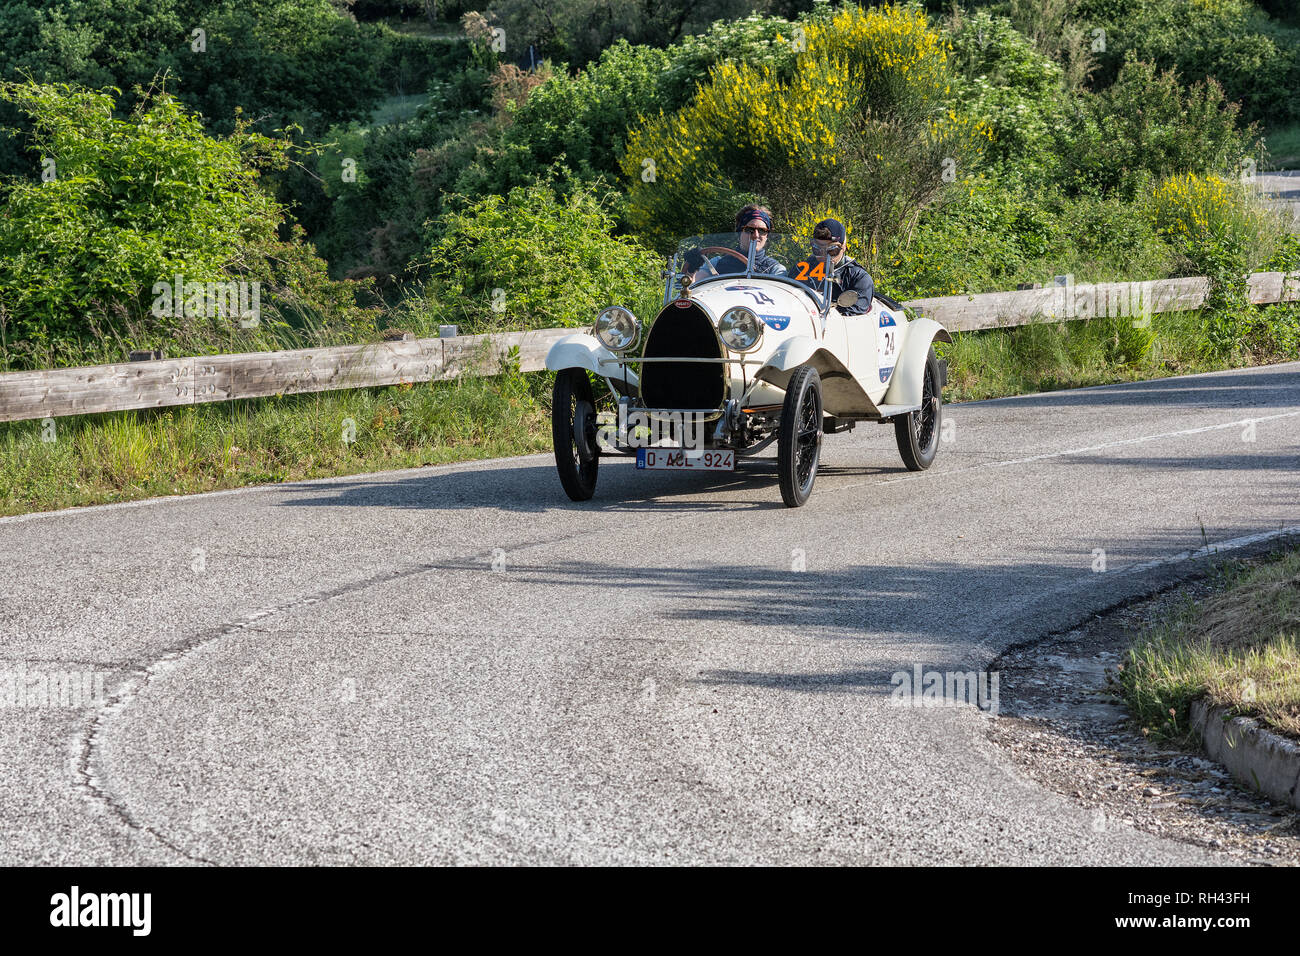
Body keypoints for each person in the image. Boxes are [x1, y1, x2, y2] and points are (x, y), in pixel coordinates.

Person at [787, 218, 874, 316]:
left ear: (844, 246)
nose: (824, 256)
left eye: (832, 250)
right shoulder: (800, 270)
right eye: (817, 249)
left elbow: (853, 316)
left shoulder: (858, 277)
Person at [714, 204, 786, 276]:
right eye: (749, 229)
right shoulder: (716, 264)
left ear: (767, 235)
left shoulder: (775, 269)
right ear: (739, 232)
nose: (756, 235)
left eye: (762, 230)